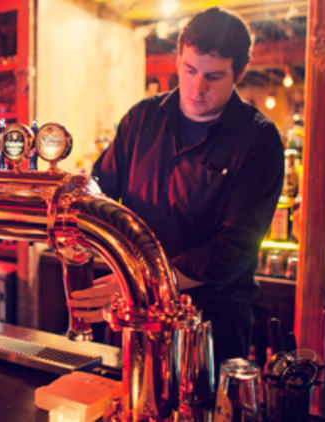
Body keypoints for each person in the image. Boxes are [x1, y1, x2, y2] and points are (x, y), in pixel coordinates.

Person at [68, 7, 285, 364]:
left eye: (214, 77)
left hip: (211, 321)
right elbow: (101, 189)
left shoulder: (258, 140)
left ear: (240, 73)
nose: (197, 88)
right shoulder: (142, 119)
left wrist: (142, 280)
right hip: (135, 313)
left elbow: (236, 248)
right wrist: (80, 207)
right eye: (190, 70)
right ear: (179, 57)